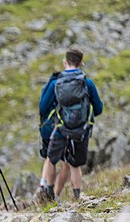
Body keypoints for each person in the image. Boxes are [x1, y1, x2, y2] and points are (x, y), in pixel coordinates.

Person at [39, 47, 103, 202]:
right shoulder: (87, 82)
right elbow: (99, 108)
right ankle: (77, 198)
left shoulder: (56, 82)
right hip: (81, 130)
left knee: (51, 159)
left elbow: (43, 107)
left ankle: (48, 192)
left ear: (64, 62)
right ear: (81, 63)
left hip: (61, 127)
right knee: (75, 165)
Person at [38, 71, 69, 202]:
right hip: (56, 127)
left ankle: (44, 186)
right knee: (64, 162)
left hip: (46, 127)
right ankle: (54, 194)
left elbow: (42, 108)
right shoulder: (57, 85)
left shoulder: (49, 84)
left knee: (49, 158)